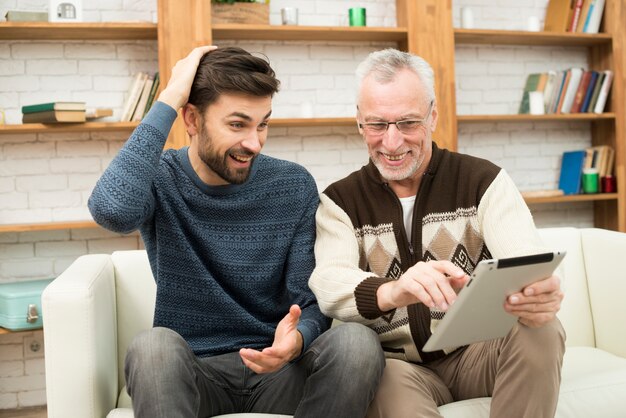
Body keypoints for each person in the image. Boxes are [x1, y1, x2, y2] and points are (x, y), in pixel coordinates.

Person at [88, 45, 384, 418]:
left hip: (280, 373)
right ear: (192, 120)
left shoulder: (291, 185)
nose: (254, 142)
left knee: (357, 342)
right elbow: (112, 211)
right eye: (237, 124)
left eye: (263, 124)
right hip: (195, 375)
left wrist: (295, 342)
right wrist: (170, 97)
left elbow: (310, 301)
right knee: (153, 347)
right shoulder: (161, 179)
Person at [309, 48, 565, 418]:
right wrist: (395, 290)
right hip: (398, 367)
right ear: (359, 123)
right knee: (378, 376)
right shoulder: (340, 201)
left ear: (433, 116)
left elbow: (525, 260)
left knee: (542, 329)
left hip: (478, 355)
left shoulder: (483, 181)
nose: (392, 142)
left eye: (408, 123)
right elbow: (329, 283)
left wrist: (539, 292)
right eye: (378, 124)